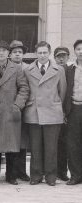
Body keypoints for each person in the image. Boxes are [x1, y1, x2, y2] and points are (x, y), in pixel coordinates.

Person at [0, 40, 29, 185]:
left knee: (11, 145)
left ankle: (11, 176)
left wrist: (17, 105)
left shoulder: (16, 68)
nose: (1, 53)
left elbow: (24, 88)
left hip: (10, 111)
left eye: (4, 50)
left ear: (8, 53)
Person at [24, 41, 67, 186]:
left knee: (51, 147)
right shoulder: (28, 70)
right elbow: (26, 90)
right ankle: (35, 176)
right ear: (36, 53)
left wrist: (56, 105)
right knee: (35, 147)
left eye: (45, 53)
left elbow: (63, 91)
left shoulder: (59, 70)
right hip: (33, 112)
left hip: (52, 112)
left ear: (49, 53)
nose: (42, 55)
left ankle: (50, 177)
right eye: (39, 52)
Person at [9, 40, 30, 182]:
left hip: (25, 108)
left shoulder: (28, 68)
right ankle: (12, 172)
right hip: (9, 109)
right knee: (11, 140)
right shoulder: (6, 67)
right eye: (15, 52)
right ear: (10, 54)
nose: (17, 54)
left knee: (22, 141)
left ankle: (22, 171)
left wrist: (21, 104)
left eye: (20, 52)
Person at [64, 40, 82, 185]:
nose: (81, 51)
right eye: (78, 49)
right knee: (73, 144)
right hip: (74, 109)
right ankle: (75, 175)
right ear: (74, 51)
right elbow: (64, 91)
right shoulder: (69, 69)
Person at [54, 47, 70, 181]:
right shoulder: (52, 71)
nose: (61, 59)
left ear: (68, 57)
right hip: (54, 112)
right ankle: (53, 171)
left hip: (69, 112)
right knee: (54, 143)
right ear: (54, 58)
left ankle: (63, 171)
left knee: (65, 143)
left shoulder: (71, 71)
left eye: (64, 56)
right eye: (58, 56)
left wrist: (66, 112)